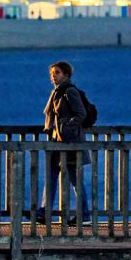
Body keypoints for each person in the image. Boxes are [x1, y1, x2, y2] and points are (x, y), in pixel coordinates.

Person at [34, 61, 91, 226]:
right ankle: (44, 212)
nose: (53, 76)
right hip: (58, 142)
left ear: (66, 75)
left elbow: (81, 114)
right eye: (52, 73)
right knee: (51, 177)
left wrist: (66, 128)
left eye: (57, 72)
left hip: (71, 143)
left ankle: (84, 215)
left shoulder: (69, 91)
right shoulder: (56, 92)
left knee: (75, 179)